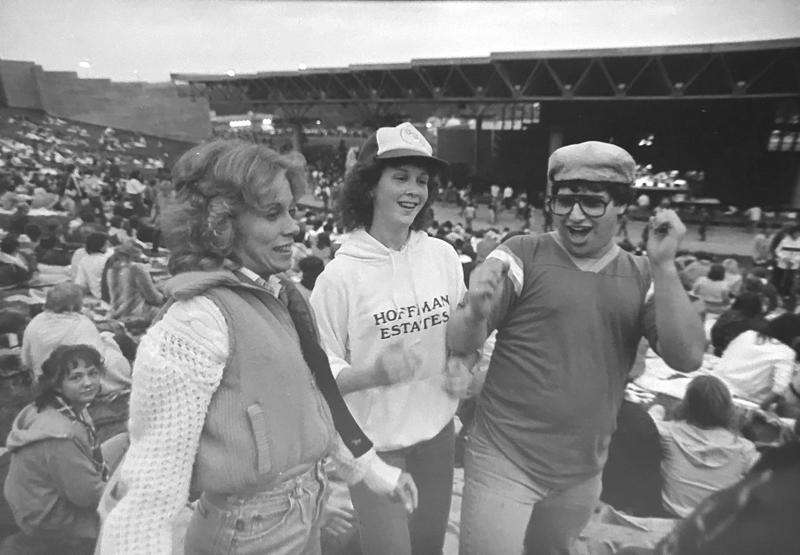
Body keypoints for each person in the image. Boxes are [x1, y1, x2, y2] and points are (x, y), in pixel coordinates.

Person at [99, 140, 417, 554]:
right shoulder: (196, 320)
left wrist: (374, 471)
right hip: (247, 530)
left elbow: (317, 403)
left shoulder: (284, 296)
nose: (292, 226)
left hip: (304, 508)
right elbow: (151, 481)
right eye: (272, 214)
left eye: (291, 210)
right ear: (221, 223)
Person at [447, 141, 705, 554]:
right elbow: (460, 342)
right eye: (564, 201)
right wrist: (475, 312)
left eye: (593, 202)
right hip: (504, 457)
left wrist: (664, 265)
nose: (575, 215)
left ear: (621, 205)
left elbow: (687, 356)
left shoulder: (642, 273)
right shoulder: (522, 254)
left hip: (582, 471)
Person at [311, 122, 466, 555]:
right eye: (400, 177)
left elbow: (461, 336)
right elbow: (320, 372)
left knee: (429, 547)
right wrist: (373, 374)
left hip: (437, 434)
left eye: (421, 180)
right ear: (369, 186)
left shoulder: (443, 257)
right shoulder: (339, 276)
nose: (414, 190)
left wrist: (463, 365)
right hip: (373, 447)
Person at [2, 345, 109, 554]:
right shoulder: (60, 434)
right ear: (57, 385)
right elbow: (88, 496)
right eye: (76, 377)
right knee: (127, 524)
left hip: (32, 498)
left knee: (123, 441)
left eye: (93, 373)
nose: (88, 382)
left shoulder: (58, 407)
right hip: (48, 516)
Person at [649, 375, 758, 518]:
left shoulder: (667, 433)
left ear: (686, 404)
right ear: (728, 409)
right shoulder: (744, 449)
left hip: (670, 515)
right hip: (714, 522)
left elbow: (647, 422)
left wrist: (657, 408)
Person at [20, 282, 131, 394]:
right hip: (76, 380)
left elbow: (26, 360)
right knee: (114, 353)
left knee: (107, 339)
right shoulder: (82, 323)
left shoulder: (35, 321)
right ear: (73, 306)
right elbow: (97, 359)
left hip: (45, 379)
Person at [713, 313, 800, 408]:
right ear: (794, 337)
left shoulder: (748, 334)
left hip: (713, 382)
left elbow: (726, 354)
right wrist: (761, 409)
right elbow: (779, 389)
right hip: (740, 399)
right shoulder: (787, 353)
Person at [105, 240, 164, 326]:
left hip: (114, 311)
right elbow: (152, 297)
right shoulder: (136, 268)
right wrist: (164, 296)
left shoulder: (111, 268)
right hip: (135, 313)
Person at [74, 231, 110, 298]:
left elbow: (80, 284)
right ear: (101, 246)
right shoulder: (108, 260)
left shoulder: (84, 261)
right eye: (107, 244)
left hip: (97, 296)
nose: (108, 247)